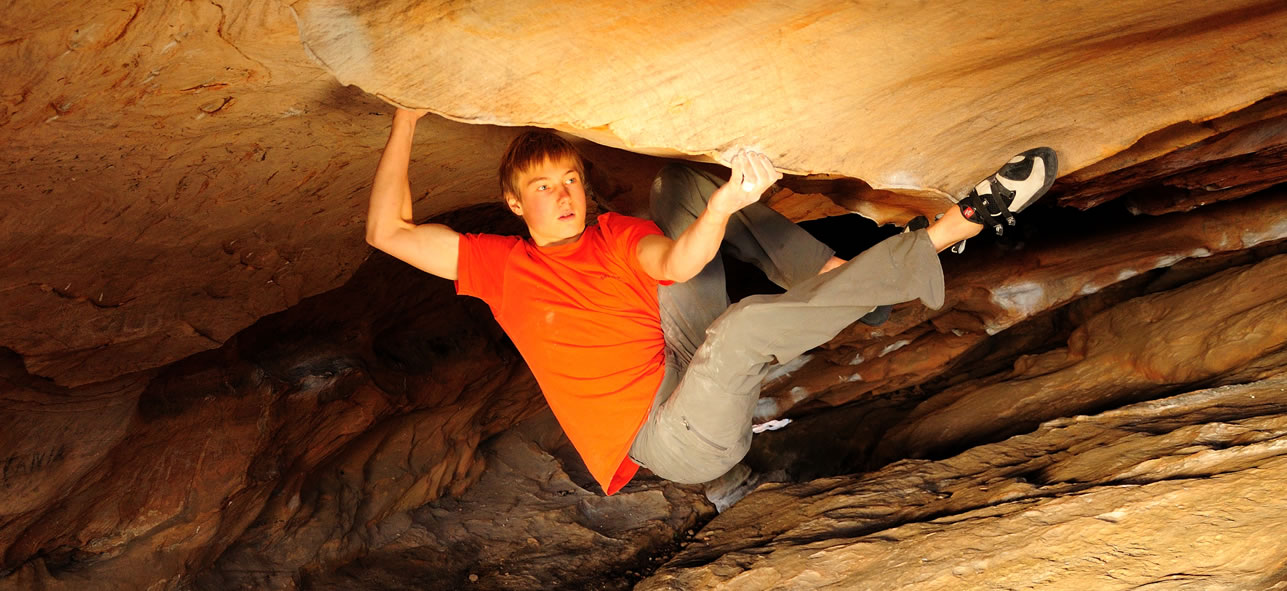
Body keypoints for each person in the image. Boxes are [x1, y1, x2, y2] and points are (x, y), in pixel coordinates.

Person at [366, 108, 1057, 499]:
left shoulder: (614, 234)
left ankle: (831, 271)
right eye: (544, 187)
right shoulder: (499, 264)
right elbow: (387, 231)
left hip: (677, 357)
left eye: (571, 178)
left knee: (680, 189)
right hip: (671, 439)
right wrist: (405, 119)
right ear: (515, 203)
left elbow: (676, 262)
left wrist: (726, 199)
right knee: (742, 329)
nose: (565, 194)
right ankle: (952, 229)